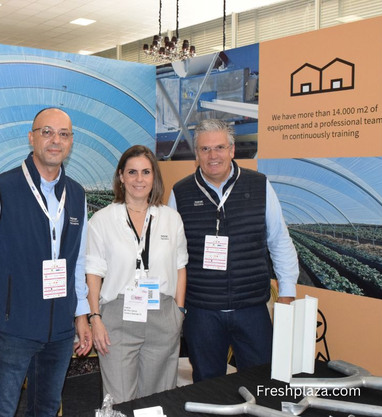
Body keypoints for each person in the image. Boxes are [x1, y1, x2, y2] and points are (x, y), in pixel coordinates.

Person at [0, 107, 93, 417]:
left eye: (63, 134)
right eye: (47, 132)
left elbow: (77, 261)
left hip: (60, 331)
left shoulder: (77, 194)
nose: (55, 140)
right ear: (31, 138)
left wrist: (81, 314)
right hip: (12, 331)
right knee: (1, 411)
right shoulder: (0, 189)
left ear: (71, 142)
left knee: (46, 410)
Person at [168, 118, 299, 382]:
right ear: (197, 154)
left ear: (232, 150)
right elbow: (171, 254)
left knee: (260, 381)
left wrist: (287, 293)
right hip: (202, 311)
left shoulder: (259, 185)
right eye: (205, 149)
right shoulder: (180, 193)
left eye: (219, 147)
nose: (213, 155)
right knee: (207, 384)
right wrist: (176, 305)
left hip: (251, 308)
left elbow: (279, 240)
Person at [86, 145, 188, 403]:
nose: (139, 179)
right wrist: (95, 318)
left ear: (154, 177)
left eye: (146, 172)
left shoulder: (171, 218)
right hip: (118, 317)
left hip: (163, 315)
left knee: (158, 398)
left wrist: (179, 311)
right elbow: (93, 272)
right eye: (132, 172)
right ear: (121, 176)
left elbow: (180, 266)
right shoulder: (102, 220)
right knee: (119, 400)